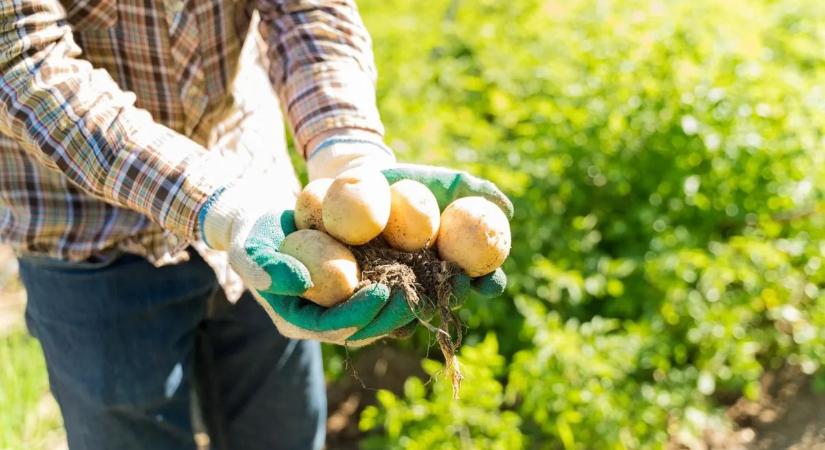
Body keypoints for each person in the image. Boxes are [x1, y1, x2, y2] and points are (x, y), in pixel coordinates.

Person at [0, 0, 513, 448]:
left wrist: (345, 145)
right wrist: (218, 206)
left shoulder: (290, 239)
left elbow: (306, 7)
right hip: (86, 231)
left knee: (284, 432)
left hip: (266, 218)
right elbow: (24, 62)